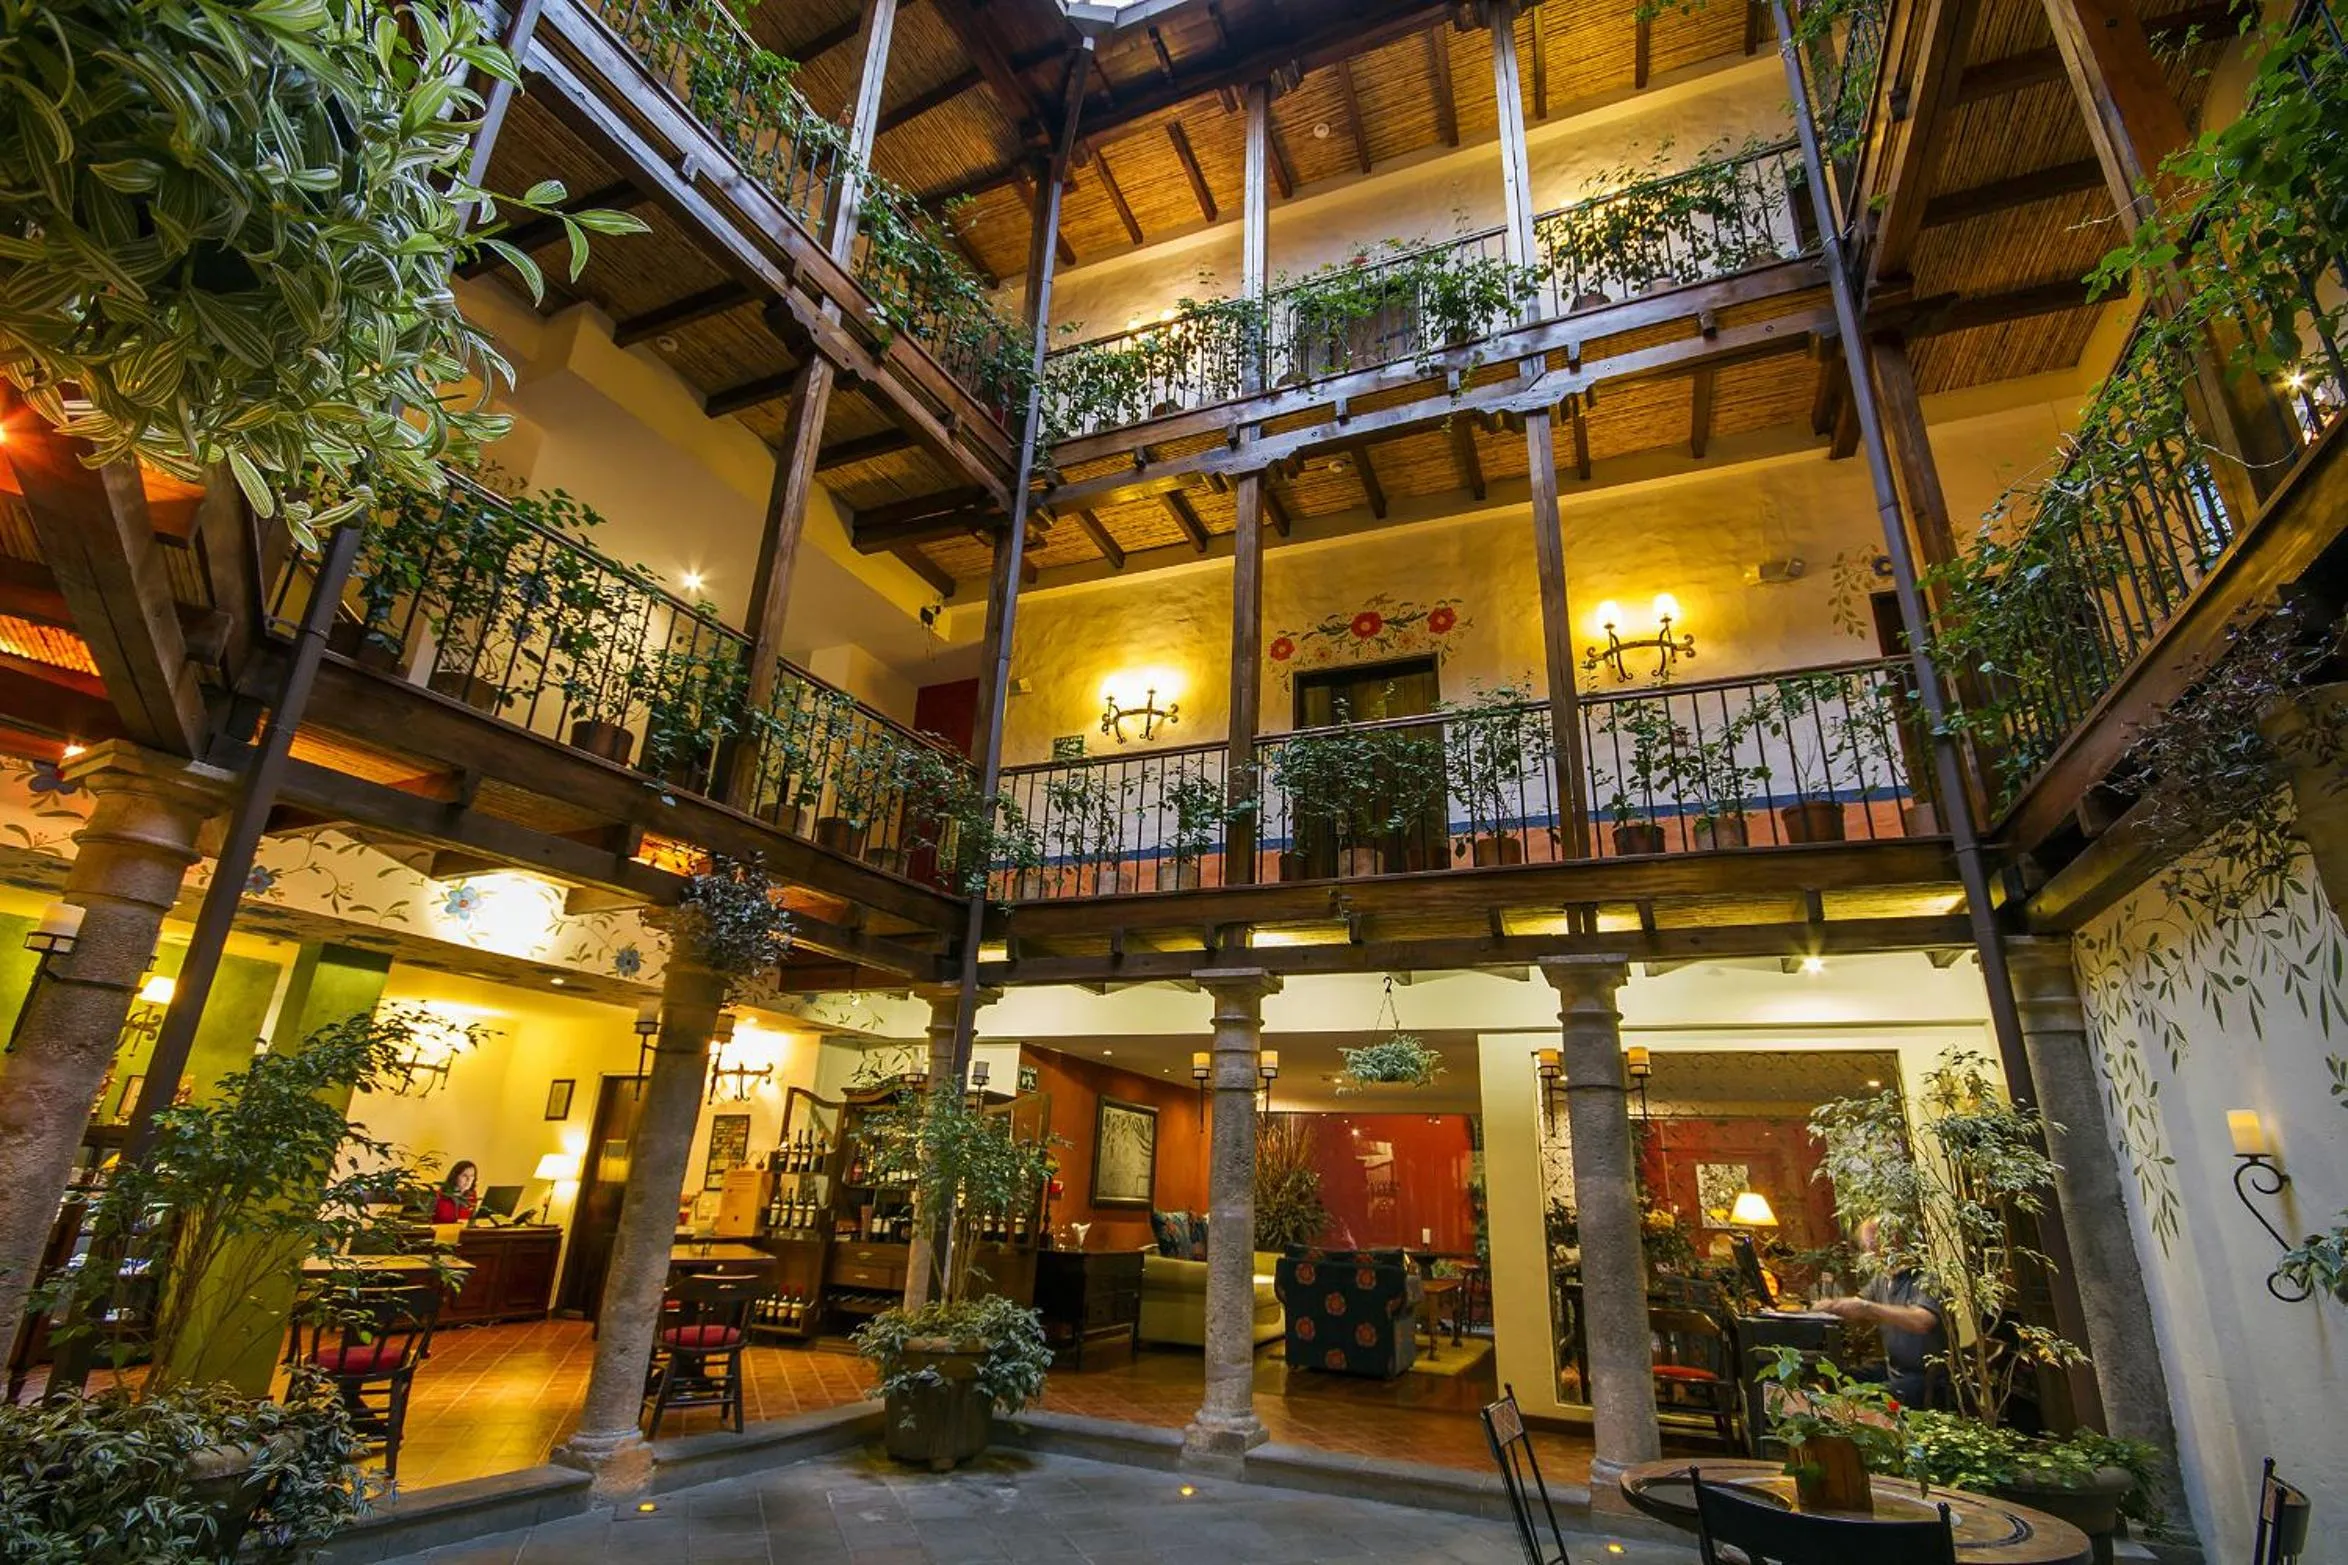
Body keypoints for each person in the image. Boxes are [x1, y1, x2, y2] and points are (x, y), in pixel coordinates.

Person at [1818, 1216, 1947, 1407]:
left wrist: (1869, 1309)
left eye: (1875, 1248)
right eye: (1869, 1249)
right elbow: (1857, 1303)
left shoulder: (1927, 1276)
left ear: (1896, 1241)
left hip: (1924, 1378)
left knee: (1864, 1400)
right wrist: (1829, 1306)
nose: (1873, 1254)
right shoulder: (1883, 1278)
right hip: (1892, 1369)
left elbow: (1922, 1321)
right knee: (1838, 1378)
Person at [433, 1160, 481, 1224]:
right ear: (455, 1176)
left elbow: (470, 1220)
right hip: (442, 1231)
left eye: (472, 1176)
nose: (468, 1179)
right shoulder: (440, 1195)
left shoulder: (472, 1195)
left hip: (463, 1232)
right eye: (464, 1175)